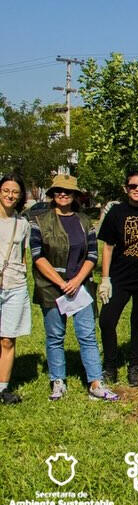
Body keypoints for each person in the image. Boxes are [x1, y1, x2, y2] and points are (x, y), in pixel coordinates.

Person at [30, 174, 118, 401]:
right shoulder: (39, 221)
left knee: (87, 335)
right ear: (52, 193)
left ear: (75, 195)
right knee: (55, 336)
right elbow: (37, 256)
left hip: (80, 286)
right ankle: (58, 381)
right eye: (58, 190)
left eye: (67, 191)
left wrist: (77, 281)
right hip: (51, 286)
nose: (63, 194)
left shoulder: (84, 221)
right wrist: (61, 283)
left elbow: (91, 254)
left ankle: (95, 383)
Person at [97, 170, 138, 387]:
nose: (137, 190)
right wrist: (105, 279)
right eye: (133, 186)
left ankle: (134, 366)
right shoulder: (116, 212)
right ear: (125, 188)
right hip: (120, 277)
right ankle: (110, 366)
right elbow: (107, 247)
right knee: (107, 320)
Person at [0, 173, 31, 404]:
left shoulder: (22, 224)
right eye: (6, 191)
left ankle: (2, 388)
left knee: (8, 339)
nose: (10, 195)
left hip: (15, 284)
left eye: (15, 192)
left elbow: (23, 257)